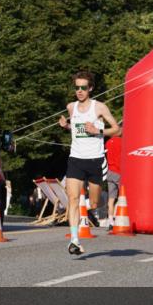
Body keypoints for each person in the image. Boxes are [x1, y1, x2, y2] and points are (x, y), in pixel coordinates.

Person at [58, 71, 120, 255]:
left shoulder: (99, 107)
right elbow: (76, 129)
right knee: (73, 199)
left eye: (83, 88)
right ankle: (74, 240)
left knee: (94, 203)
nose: (79, 91)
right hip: (76, 159)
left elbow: (117, 129)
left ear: (90, 88)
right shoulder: (71, 107)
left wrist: (97, 131)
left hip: (95, 160)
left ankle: (94, 206)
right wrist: (66, 126)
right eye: (77, 87)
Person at [104, 125, 122, 227]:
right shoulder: (122, 142)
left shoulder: (108, 142)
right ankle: (121, 218)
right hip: (118, 172)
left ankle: (110, 221)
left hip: (109, 172)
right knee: (123, 197)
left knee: (111, 198)